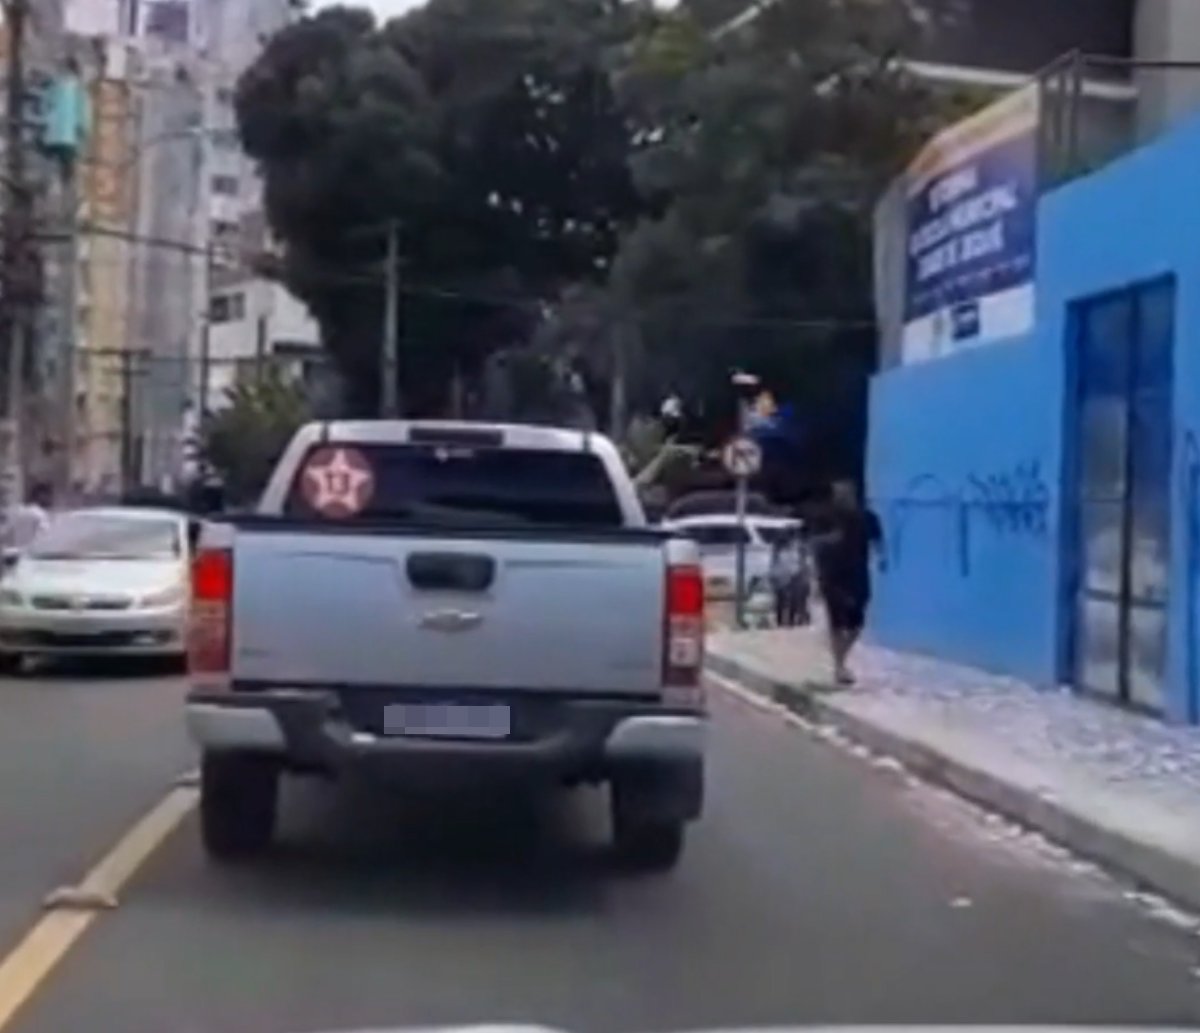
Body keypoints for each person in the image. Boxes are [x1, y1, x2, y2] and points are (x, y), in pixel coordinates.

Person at [811, 480, 884, 685]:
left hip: (858, 574)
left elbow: (878, 540)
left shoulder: (867, 517)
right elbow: (815, 544)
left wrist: (882, 557)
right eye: (839, 494)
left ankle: (842, 658)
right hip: (832, 576)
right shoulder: (827, 517)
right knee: (836, 622)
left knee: (857, 623)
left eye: (846, 493)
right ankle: (839, 666)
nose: (843, 497)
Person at [769, 526, 810, 628]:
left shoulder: (797, 546)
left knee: (789, 599)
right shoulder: (780, 547)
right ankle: (786, 622)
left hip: (791, 574)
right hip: (786, 574)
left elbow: (802, 561)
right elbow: (775, 562)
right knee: (785, 599)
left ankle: (788, 621)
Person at [3, 482, 51, 555]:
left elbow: (6, 536)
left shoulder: (19, 513)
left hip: (17, 557)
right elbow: (44, 539)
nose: (50, 499)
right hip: (34, 556)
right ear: (41, 495)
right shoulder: (40, 515)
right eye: (49, 496)